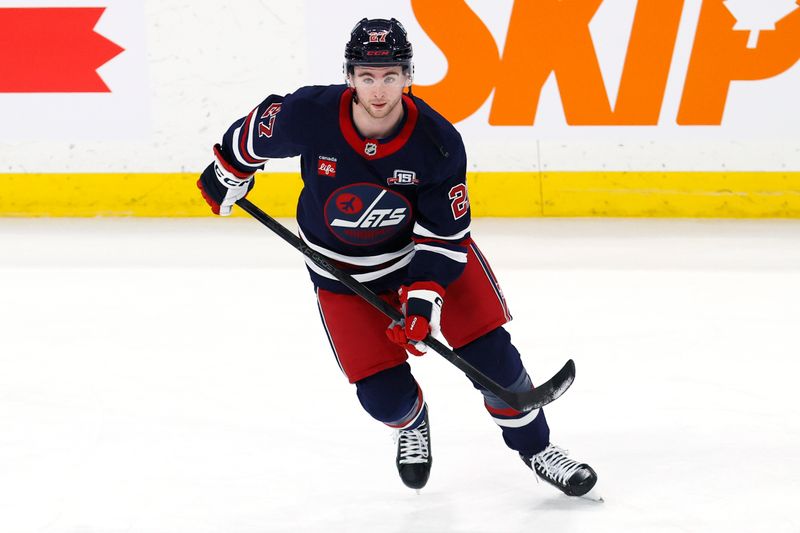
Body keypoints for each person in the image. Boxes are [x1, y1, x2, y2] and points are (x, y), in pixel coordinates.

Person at [197, 17, 598, 497]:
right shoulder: (311, 114)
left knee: (494, 361)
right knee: (382, 397)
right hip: (342, 274)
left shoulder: (437, 141)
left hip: (419, 258)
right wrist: (229, 169)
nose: (379, 90)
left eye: (390, 76)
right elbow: (255, 133)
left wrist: (423, 302)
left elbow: (444, 237)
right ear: (350, 77)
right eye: (367, 76)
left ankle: (538, 449)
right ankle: (411, 423)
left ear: (408, 77)